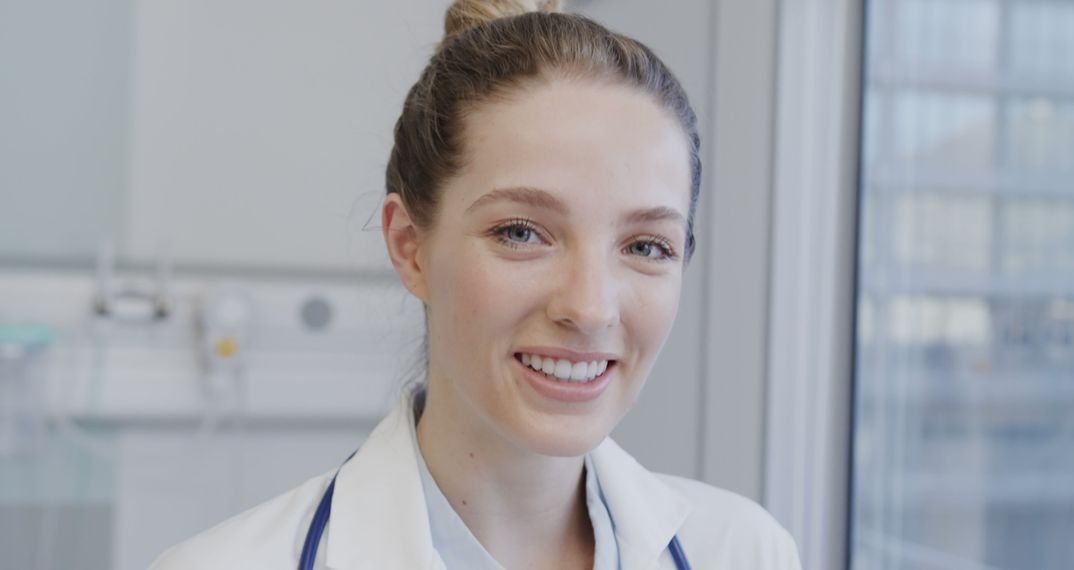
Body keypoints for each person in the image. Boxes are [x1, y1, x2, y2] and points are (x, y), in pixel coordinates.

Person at [150, 1, 801, 568]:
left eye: (645, 246)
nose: (590, 307)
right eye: (522, 232)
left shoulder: (743, 552)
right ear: (410, 248)